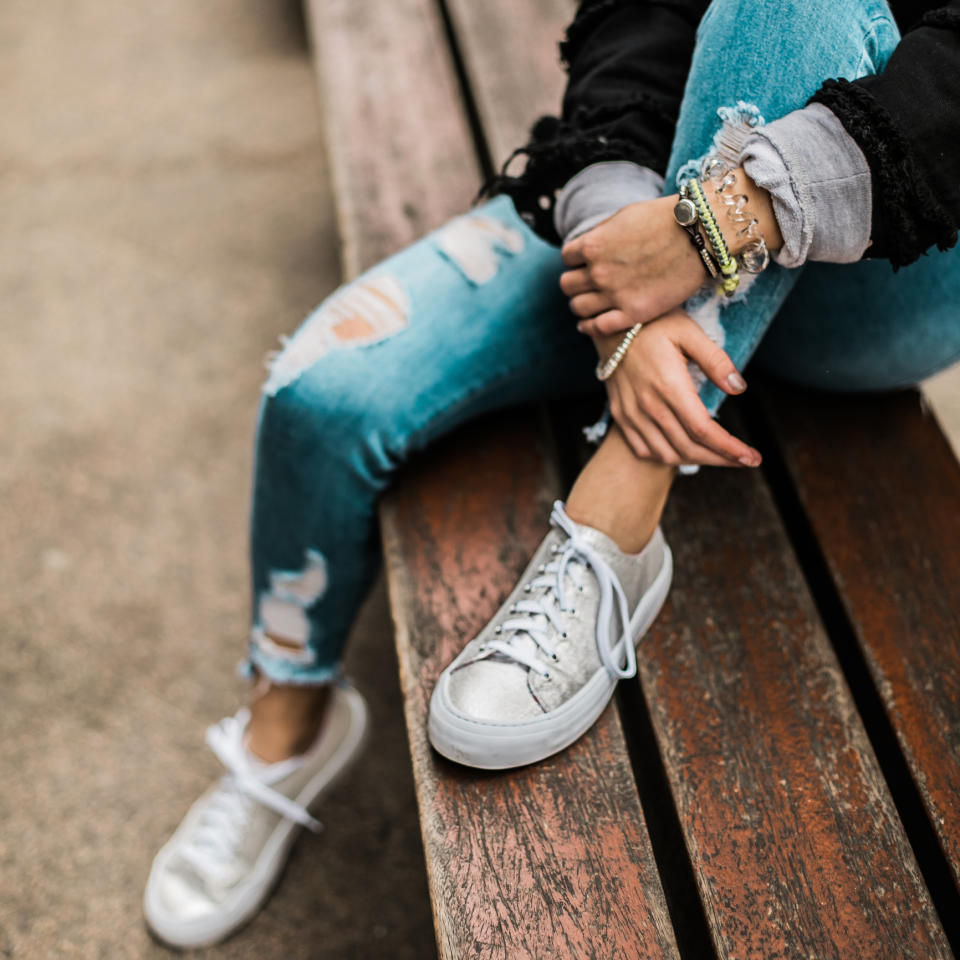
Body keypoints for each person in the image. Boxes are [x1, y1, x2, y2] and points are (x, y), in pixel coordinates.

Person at [143, 0, 960, 948]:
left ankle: (620, 511)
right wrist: (632, 283)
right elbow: (632, 24)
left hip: (887, 266)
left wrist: (712, 230)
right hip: (665, 186)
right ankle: (285, 737)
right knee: (320, 393)